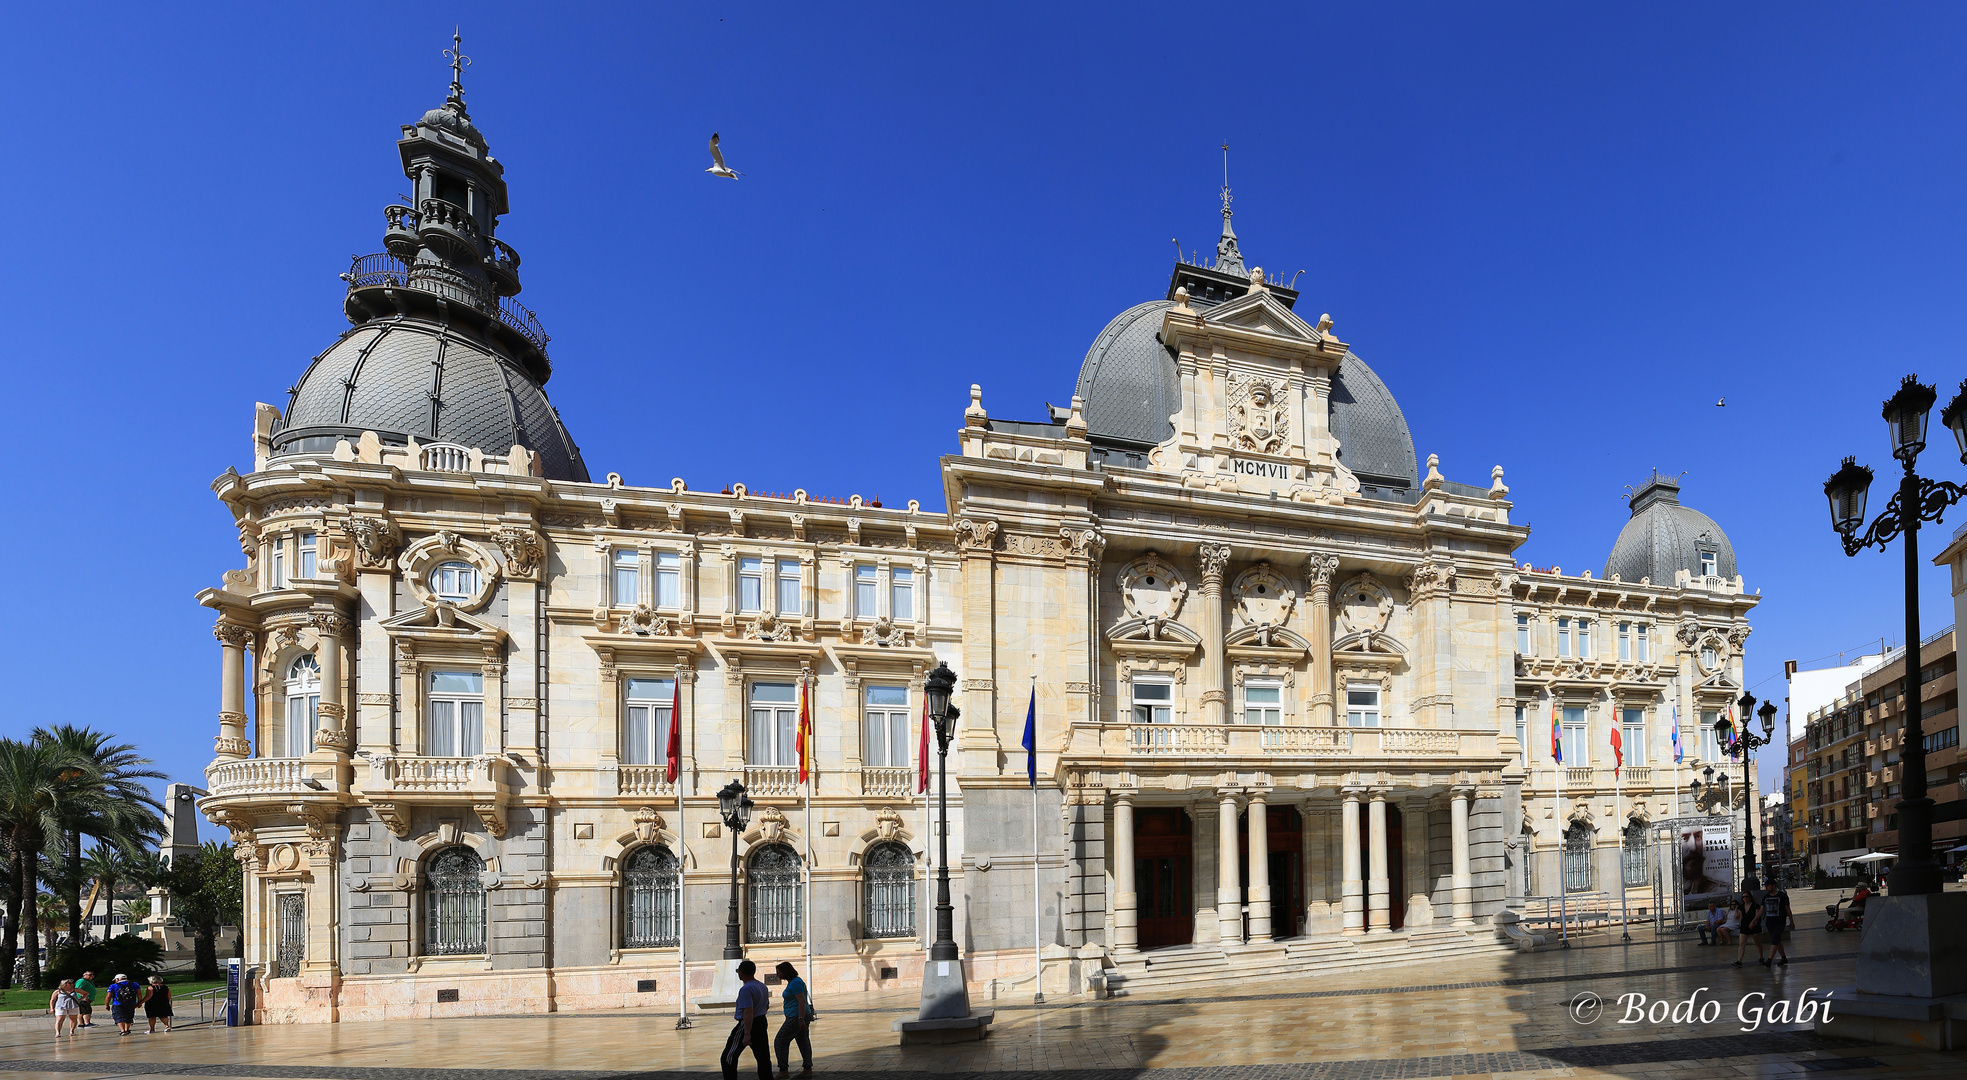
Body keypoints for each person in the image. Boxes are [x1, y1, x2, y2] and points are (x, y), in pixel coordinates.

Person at [721, 959, 772, 1080]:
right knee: (763, 1057)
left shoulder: (746, 989)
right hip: (761, 1021)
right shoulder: (762, 986)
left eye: (738, 971)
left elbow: (748, 1011)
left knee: (728, 1056)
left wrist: (747, 1034)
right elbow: (766, 1005)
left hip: (747, 1024)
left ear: (742, 973)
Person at [772, 961, 813, 1079]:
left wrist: (800, 1019)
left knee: (780, 1040)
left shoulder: (795, 983)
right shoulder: (794, 982)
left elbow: (802, 1001)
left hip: (796, 1017)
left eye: (778, 972)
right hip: (798, 1016)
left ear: (786, 972)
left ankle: (783, 1069)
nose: (777, 975)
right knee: (803, 1040)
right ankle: (807, 1068)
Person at [1733, 877, 1767, 967]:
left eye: (1747, 897)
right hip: (1744, 926)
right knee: (1742, 944)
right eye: (1743, 897)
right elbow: (1739, 917)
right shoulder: (1741, 906)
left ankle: (1761, 957)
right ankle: (1739, 961)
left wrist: (1754, 923)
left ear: (1750, 897)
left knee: (1757, 942)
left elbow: (1757, 915)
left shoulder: (1755, 905)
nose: (1745, 898)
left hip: (1754, 926)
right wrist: (1736, 909)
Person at [1763, 884, 1793, 967]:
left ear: (1773, 886)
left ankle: (1769, 959)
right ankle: (1783, 957)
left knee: (1775, 938)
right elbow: (1762, 909)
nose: (1766, 888)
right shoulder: (1766, 897)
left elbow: (1788, 909)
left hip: (1780, 921)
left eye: (1767, 886)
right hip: (1770, 922)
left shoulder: (1782, 896)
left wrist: (1791, 921)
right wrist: (1755, 920)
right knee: (1777, 940)